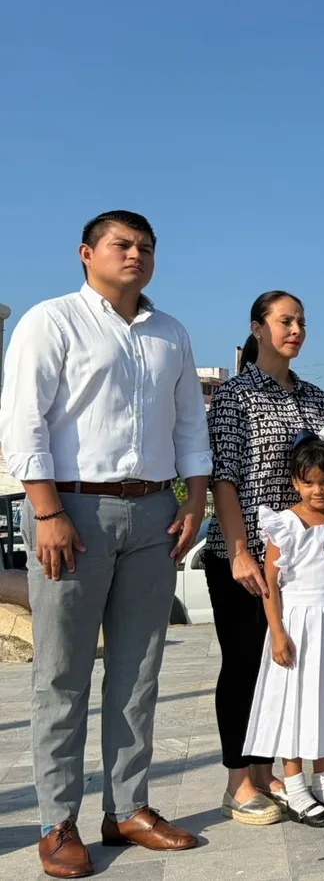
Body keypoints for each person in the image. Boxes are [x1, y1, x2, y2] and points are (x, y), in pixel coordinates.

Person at [0, 211, 210, 878]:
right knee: (61, 674)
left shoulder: (169, 333)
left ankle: (127, 809)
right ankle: (57, 821)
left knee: (139, 670)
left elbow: (188, 426)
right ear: (87, 253)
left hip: (152, 513)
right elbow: (24, 423)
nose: (137, 255)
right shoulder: (51, 321)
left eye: (147, 247)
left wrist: (195, 499)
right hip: (72, 510)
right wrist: (47, 511)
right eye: (123, 244)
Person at [205, 291, 324, 825]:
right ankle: (240, 779)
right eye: (285, 321)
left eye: (301, 320)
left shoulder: (316, 398)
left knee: (282, 670)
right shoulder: (235, 397)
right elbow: (225, 480)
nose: (295, 329)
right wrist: (240, 552)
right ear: (258, 328)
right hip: (246, 555)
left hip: (300, 563)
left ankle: (267, 772)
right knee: (243, 664)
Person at [244, 430, 324, 827]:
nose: (318, 490)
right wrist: (277, 633)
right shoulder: (285, 525)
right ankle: (296, 789)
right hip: (298, 626)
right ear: (295, 482)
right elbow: (270, 587)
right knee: (296, 704)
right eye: (309, 482)